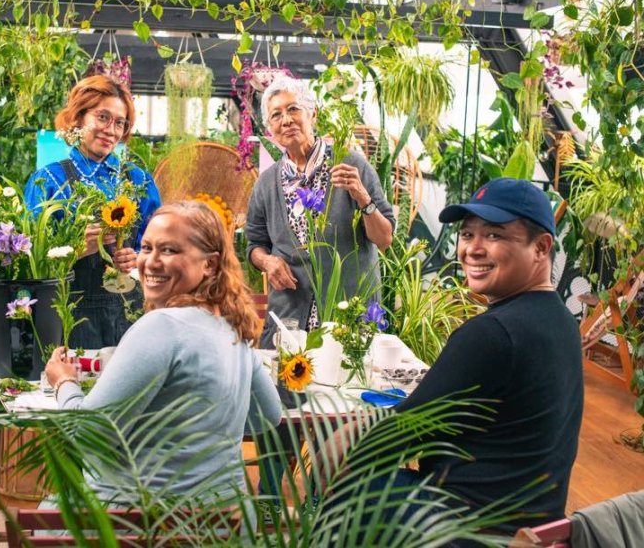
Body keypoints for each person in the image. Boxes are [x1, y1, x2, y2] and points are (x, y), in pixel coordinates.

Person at [328, 177, 584, 533]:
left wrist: (341, 439)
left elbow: (393, 437)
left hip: (467, 528)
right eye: (467, 234)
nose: (472, 249)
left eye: (494, 235)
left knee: (341, 477)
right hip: (533, 523)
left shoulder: (493, 333)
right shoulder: (562, 321)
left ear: (541, 248)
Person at [44, 201, 283, 505]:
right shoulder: (233, 327)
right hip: (224, 519)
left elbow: (87, 435)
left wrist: (64, 382)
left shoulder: (162, 326)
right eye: (146, 248)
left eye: (169, 250)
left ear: (210, 264)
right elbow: (268, 416)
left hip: (139, 521)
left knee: (41, 509)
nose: (151, 262)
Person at [245, 76, 395, 350]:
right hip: (289, 319)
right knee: (284, 378)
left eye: (293, 109)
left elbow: (385, 239)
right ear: (270, 129)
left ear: (312, 114)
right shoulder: (266, 183)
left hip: (348, 314)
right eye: (276, 115)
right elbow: (255, 244)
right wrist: (267, 261)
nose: (286, 120)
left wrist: (362, 197)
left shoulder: (351, 165)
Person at [24, 75, 161, 349]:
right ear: (78, 117)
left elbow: (161, 245)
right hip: (70, 317)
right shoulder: (48, 181)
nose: (111, 130)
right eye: (102, 117)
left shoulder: (138, 180)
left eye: (120, 123)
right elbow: (29, 263)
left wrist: (138, 257)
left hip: (130, 315)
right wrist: (74, 250)